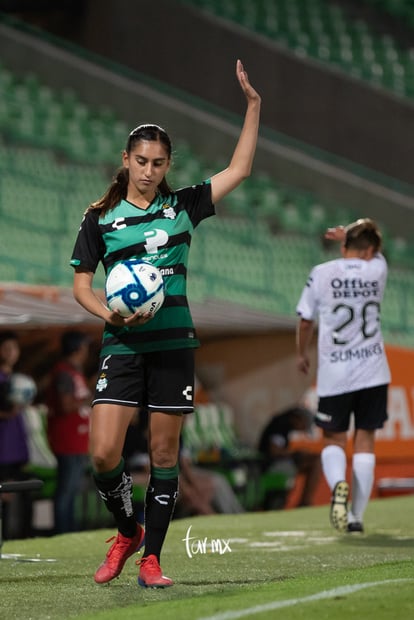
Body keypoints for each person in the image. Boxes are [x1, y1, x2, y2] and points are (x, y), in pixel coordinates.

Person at [69, 59, 261, 587]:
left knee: (162, 453)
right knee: (104, 453)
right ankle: (126, 530)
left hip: (174, 342)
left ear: (167, 163)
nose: (149, 170)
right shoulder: (99, 217)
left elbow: (239, 170)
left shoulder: (183, 206)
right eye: (141, 161)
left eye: (158, 162)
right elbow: (82, 285)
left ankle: (151, 558)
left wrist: (253, 107)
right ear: (126, 160)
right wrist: (107, 311)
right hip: (123, 342)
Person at [296, 218, 391, 533]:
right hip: (373, 371)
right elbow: (378, 247)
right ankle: (356, 517)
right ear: (370, 251)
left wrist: (301, 352)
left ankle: (338, 484)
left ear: (342, 246)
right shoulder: (378, 270)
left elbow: (306, 320)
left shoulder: (322, 273)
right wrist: (353, 232)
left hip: (335, 372)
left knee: (334, 438)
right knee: (365, 440)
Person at [46, 331, 92, 534]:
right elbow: (65, 405)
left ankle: (69, 529)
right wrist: (89, 396)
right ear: (79, 348)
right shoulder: (64, 372)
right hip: (67, 440)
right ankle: (62, 531)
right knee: (66, 490)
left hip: (77, 439)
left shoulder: (74, 371)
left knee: (72, 489)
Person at [0, 331, 33, 539]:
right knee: (5, 496)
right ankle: (6, 538)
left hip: (17, 448)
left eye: (15, 348)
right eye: (6, 348)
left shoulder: (16, 378)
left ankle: (23, 537)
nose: (11, 353)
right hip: (3, 449)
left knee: (23, 493)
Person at [257, 406, 321, 509]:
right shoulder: (280, 424)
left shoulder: (286, 426)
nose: (301, 430)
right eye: (303, 426)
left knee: (316, 460)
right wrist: (295, 453)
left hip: (277, 463)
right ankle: (304, 503)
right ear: (298, 419)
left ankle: (305, 502)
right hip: (269, 465)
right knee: (315, 461)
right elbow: (274, 451)